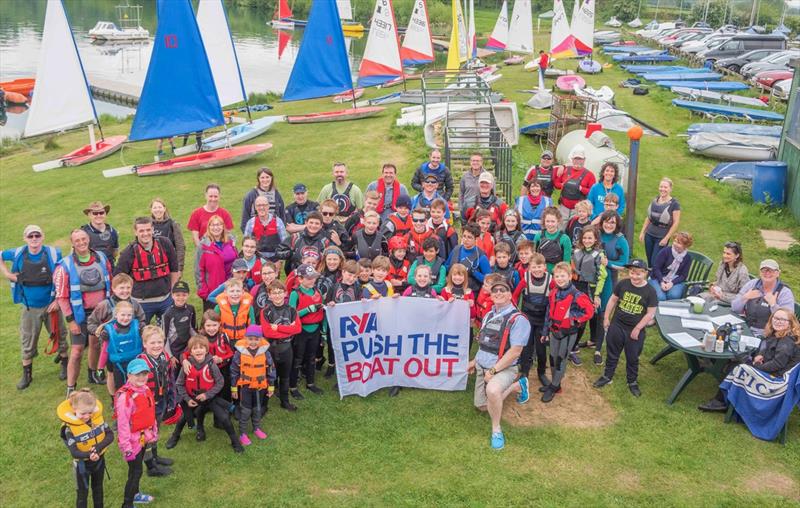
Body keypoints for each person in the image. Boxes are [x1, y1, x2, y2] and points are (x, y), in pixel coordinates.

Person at [1, 224, 68, 389]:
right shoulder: (18, 253)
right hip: (30, 308)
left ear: (42, 236)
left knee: (60, 336)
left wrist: (58, 301)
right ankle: (27, 374)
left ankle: (65, 363)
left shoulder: (53, 253)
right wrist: (7, 274)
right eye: (30, 236)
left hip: (52, 306)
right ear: (25, 238)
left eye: (37, 235)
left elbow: (62, 276)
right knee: (28, 340)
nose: (34, 239)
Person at [468, 277, 531, 450]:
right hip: (483, 365)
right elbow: (485, 343)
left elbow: (515, 352)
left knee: (493, 390)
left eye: (502, 290)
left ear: (510, 295)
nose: (498, 293)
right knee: (482, 406)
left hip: (503, 367)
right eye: (495, 290)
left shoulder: (518, 319)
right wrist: (474, 361)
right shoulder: (489, 314)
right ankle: (518, 386)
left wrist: (494, 370)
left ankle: (496, 429)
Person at [700, 309, 800, 412]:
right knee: (736, 363)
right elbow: (766, 344)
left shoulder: (786, 342)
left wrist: (755, 367)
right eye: (776, 318)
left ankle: (721, 403)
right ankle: (726, 399)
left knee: (738, 367)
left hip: (776, 380)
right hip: (773, 370)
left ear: (790, 323)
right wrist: (760, 355)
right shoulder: (778, 333)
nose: (778, 321)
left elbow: (777, 364)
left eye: (783, 319)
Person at [55, 229, 113, 396]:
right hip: (80, 315)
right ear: (72, 243)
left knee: (95, 344)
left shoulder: (101, 258)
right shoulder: (65, 265)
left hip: (101, 313)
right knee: (77, 350)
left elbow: (110, 278)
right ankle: (71, 387)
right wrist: (71, 320)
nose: (81, 242)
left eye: (83, 239)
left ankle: (92, 374)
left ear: (88, 239)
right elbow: (61, 297)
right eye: (77, 240)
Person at [593, 259, 658, 397]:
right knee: (612, 353)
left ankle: (632, 381)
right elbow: (613, 300)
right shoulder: (623, 284)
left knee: (633, 357)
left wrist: (638, 328)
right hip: (617, 325)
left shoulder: (650, 291)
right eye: (632, 273)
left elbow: (651, 313)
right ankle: (607, 376)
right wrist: (606, 318)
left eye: (638, 274)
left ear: (645, 273)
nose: (634, 276)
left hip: (634, 330)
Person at [166, 336, 243, 453]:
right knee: (183, 419)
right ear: (190, 352)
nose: (198, 350)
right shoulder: (186, 366)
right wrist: (187, 399)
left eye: (201, 348)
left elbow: (220, 382)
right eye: (195, 348)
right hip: (192, 398)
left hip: (209, 398)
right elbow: (179, 384)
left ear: (206, 350)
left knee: (224, 418)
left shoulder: (211, 364)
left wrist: (207, 395)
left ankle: (235, 442)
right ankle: (175, 436)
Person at [540, 262, 594, 402]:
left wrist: (573, 319)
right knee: (552, 357)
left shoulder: (577, 295)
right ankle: (555, 384)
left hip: (568, 333)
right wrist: (545, 332)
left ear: (570, 276)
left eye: (563, 276)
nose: (560, 279)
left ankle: (555, 385)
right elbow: (548, 313)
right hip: (554, 331)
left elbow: (589, 311)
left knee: (560, 359)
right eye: (557, 276)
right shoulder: (554, 292)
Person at [115, 217, 179, 323]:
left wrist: (173, 291)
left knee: (168, 333)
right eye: (141, 231)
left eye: (148, 230)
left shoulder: (165, 243)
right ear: (135, 232)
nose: (145, 233)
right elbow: (118, 277)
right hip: (141, 303)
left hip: (165, 299)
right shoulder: (129, 252)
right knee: (141, 334)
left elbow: (174, 269)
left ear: (153, 229)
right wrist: (125, 297)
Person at [58, 388, 114, 508]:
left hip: (99, 460)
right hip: (82, 466)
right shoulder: (69, 428)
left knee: (98, 489)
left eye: (90, 412)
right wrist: (90, 454)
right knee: (82, 494)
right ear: (74, 409)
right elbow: (74, 452)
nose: (87, 416)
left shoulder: (97, 418)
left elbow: (110, 435)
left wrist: (98, 448)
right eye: (83, 413)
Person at [87, 273, 146, 386]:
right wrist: (100, 333)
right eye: (121, 288)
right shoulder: (104, 305)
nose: (125, 291)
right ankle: (115, 399)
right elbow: (91, 323)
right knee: (112, 374)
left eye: (128, 287)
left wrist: (141, 328)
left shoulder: (135, 304)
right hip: (111, 348)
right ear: (113, 289)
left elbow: (142, 319)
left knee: (134, 371)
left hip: (132, 346)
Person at [115, 358, 159, 507]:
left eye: (144, 374)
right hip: (132, 442)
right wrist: (126, 447)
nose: (141, 378)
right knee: (136, 472)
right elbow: (122, 425)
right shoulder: (125, 398)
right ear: (129, 375)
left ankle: (136, 495)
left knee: (137, 469)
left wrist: (153, 432)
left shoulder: (145, 389)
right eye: (137, 374)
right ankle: (127, 504)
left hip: (143, 438)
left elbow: (150, 413)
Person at [135, 326, 175, 476]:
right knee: (147, 435)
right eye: (152, 343)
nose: (157, 345)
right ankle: (151, 467)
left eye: (160, 342)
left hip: (161, 400)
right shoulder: (141, 364)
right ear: (144, 344)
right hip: (147, 406)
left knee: (156, 430)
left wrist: (171, 397)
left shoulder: (164, 356)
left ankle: (155, 456)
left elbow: (168, 377)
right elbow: (135, 389)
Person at [231, 325, 276, 446]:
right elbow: (234, 371)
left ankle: (256, 428)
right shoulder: (239, 353)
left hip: (260, 387)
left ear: (261, 339)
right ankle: (243, 433)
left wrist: (271, 386)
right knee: (245, 411)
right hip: (245, 388)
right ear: (246, 338)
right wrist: (234, 388)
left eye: (256, 339)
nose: (253, 342)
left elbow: (271, 370)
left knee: (257, 409)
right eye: (250, 339)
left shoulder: (265, 353)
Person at [261, 280, 302, 411]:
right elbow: (267, 332)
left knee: (285, 377)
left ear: (285, 293)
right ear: (269, 295)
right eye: (274, 293)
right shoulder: (265, 311)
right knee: (269, 376)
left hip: (286, 349)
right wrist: (287, 329)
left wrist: (277, 328)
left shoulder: (291, 310)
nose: (277, 296)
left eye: (280, 292)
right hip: (271, 349)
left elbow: (298, 329)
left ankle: (285, 401)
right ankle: (264, 404)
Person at [513, 253, 552, 387]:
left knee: (541, 349)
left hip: (542, 321)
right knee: (526, 347)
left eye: (539, 267)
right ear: (529, 268)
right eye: (534, 267)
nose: (537, 270)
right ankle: (524, 371)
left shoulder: (550, 281)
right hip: (527, 319)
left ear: (545, 267)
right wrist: (515, 312)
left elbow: (555, 299)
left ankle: (541, 372)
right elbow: (515, 295)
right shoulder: (525, 279)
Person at [571, 227, 607, 365]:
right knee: (574, 316)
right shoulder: (576, 252)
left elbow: (602, 276)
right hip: (575, 286)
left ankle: (594, 347)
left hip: (589, 289)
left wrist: (597, 295)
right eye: (584, 238)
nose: (587, 241)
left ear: (595, 240)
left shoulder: (599, 255)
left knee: (585, 317)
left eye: (590, 238)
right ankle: (572, 345)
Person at [731, 259, 795, 336]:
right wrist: (745, 297)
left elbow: (788, 320)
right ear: (760, 272)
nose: (767, 273)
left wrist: (773, 305)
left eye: (771, 271)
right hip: (745, 327)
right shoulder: (752, 284)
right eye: (764, 270)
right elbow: (734, 308)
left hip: (769, 334)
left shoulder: (785, 293)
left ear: (778, 273)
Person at [288, 264, 325, 398]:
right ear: (300, 279)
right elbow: (291, 315)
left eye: (313, 278)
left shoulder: (317, 291)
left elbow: (323, 311)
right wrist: (308, 310)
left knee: (311, 358)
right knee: (297, 359)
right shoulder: (295, 293)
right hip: (301, 331)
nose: (312, 280)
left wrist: (324, 331)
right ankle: (292, 386)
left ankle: (310, 383)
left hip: (315, 329)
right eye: (309, 278)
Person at [97, 301, 145, 396]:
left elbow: (145, 345)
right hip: (119, 367)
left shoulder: (137, 328)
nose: (126, 318)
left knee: (138, 388)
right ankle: (120, 405)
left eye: (129, 315)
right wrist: (100, 368)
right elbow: (105, 351)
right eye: (123, 315)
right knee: (121, 389)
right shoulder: (109, 332)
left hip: (136, 364)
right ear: (116, 315)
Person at [196, 215, 237, 310]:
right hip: (213, 292)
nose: (216, 227)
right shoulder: (203, 246)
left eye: (218, 224)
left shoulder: (230, 242)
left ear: (223, 227)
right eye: (213, 225)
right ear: (209, 227)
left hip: (231, 289)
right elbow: (198, 270)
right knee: (213, 321)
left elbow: (236, 262)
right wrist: (204, 292)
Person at [639, 177, 681, 266]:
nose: (663, 189)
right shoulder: (655, 200)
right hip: (649, 235)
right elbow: (648, 218)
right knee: (650, 260)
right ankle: (650, 277)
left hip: (661, 237)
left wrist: (666, 238)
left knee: (656, 261)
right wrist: (642, 232)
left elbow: (676, 223)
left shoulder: (674, 204)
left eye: (665, 187)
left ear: (670, 189)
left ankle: (656, 278)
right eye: (661, 187)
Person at [553, 145, 596, 224]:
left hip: (579, 210)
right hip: (563, 207)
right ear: (572, 159)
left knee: (574, 229)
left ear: (584, 160)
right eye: (576, 158)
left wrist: (581, 188)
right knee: (560, 228)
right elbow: (556, 184)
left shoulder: (589, 175)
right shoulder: (565, 169)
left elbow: (592, 192)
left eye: (580, 159)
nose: (578, 161)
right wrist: (562, 185)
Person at [446, 223, 492, 292]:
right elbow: (447, 266)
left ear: (476, 239)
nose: (465, 239)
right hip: (452, 290)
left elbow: (488, 280)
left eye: (469, 237)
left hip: (470, 293)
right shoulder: (456, 249)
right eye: (464, 236)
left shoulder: (481, 257)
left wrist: (473, 272)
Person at [649, 232, 694, 301]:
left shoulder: (687, 258)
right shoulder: (665, 251)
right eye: (675, 241)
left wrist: (672, 283)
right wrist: (661, 281)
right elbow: (656, 268)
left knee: (674, 296)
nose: (675, 244)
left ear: (685, 246)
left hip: (675, 280)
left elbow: (683, 276)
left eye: (679, 243)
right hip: (657, 277)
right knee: (661, 297)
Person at [240, 168, 286, 233]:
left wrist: (281, 230)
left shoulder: (276, 194)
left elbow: (282, 215)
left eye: (267, 177)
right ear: (258, 179)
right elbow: (245, 216)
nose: (265, 180)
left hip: (273, 231)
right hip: (256, 231)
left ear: (271, 178)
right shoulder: (251, 195)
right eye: (262, 177)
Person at [244, 196, 288, 263]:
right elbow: (245, 244)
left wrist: (280, 261)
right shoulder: (250, 223)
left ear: (268, 206)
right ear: (255, 207)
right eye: (259, 205)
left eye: (264, 205)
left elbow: (285, 244)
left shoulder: (278, 222)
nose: (261, 208)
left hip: (274, 260)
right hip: (256, 259)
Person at [162, 281, 197, 365]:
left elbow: (193, 328)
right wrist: (170, 356)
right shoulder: (168, 314)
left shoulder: (191, 309)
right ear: (172, 295)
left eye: (184, 295)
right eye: (177, 295)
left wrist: (197, 343)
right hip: (174, 350)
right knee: (176, 375)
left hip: (187, 347)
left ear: (188, 295)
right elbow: (164, 337)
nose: (181, 298)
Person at [150, 198, 186, 278]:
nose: (157, 210)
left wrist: (179, 268)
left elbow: (180, 247)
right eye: (155, 208)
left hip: (169, 266)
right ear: (151, 210)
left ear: (164, 208)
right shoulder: (147, 226)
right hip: (152, 267)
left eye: (160, 207)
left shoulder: (173, 225)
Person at [533, 207, 572, 273]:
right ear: (544, 221)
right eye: (547, 221)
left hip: (557, 274)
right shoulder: (538, 236)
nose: (550, 224)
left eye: (553, 221)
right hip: (540, 272)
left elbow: (566, 262)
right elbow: (534, 257)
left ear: (558, 221)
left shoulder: (565, 239)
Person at [80, 201, 119, 268]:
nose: (99, 215)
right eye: (95, 213)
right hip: (91, 270)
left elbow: (115, 252)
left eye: (101, 213)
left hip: (110, 270)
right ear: (89, 215)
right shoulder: (83, 232)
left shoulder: (112, 231)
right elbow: (75, 253)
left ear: (105, 214)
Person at [459, 153, 490, 224]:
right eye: (473, 160)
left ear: (482, 162)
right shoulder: (465, 176)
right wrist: (461, 208)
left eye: (478, 161)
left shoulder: (487, 176)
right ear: (470, 162)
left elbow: (492, 192)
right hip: (468, 209)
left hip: (483, 209)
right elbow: (461, 193)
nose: (475, 162)